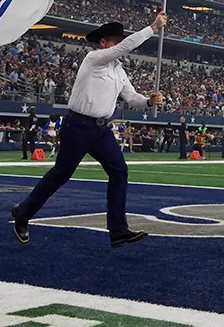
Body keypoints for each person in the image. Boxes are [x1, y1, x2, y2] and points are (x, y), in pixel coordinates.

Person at [10, 13, 166, 248]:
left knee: (119, 171)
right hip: (79, 126)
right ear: (103, 43)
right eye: (113, 40)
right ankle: (23, 214)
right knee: (60, 175)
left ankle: (118, 230)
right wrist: (152, 28)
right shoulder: (94, 58)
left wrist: (148, 101)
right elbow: (125, 46)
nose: (117, 44)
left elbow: (131, 97)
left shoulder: (119, 71)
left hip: (101, 129)